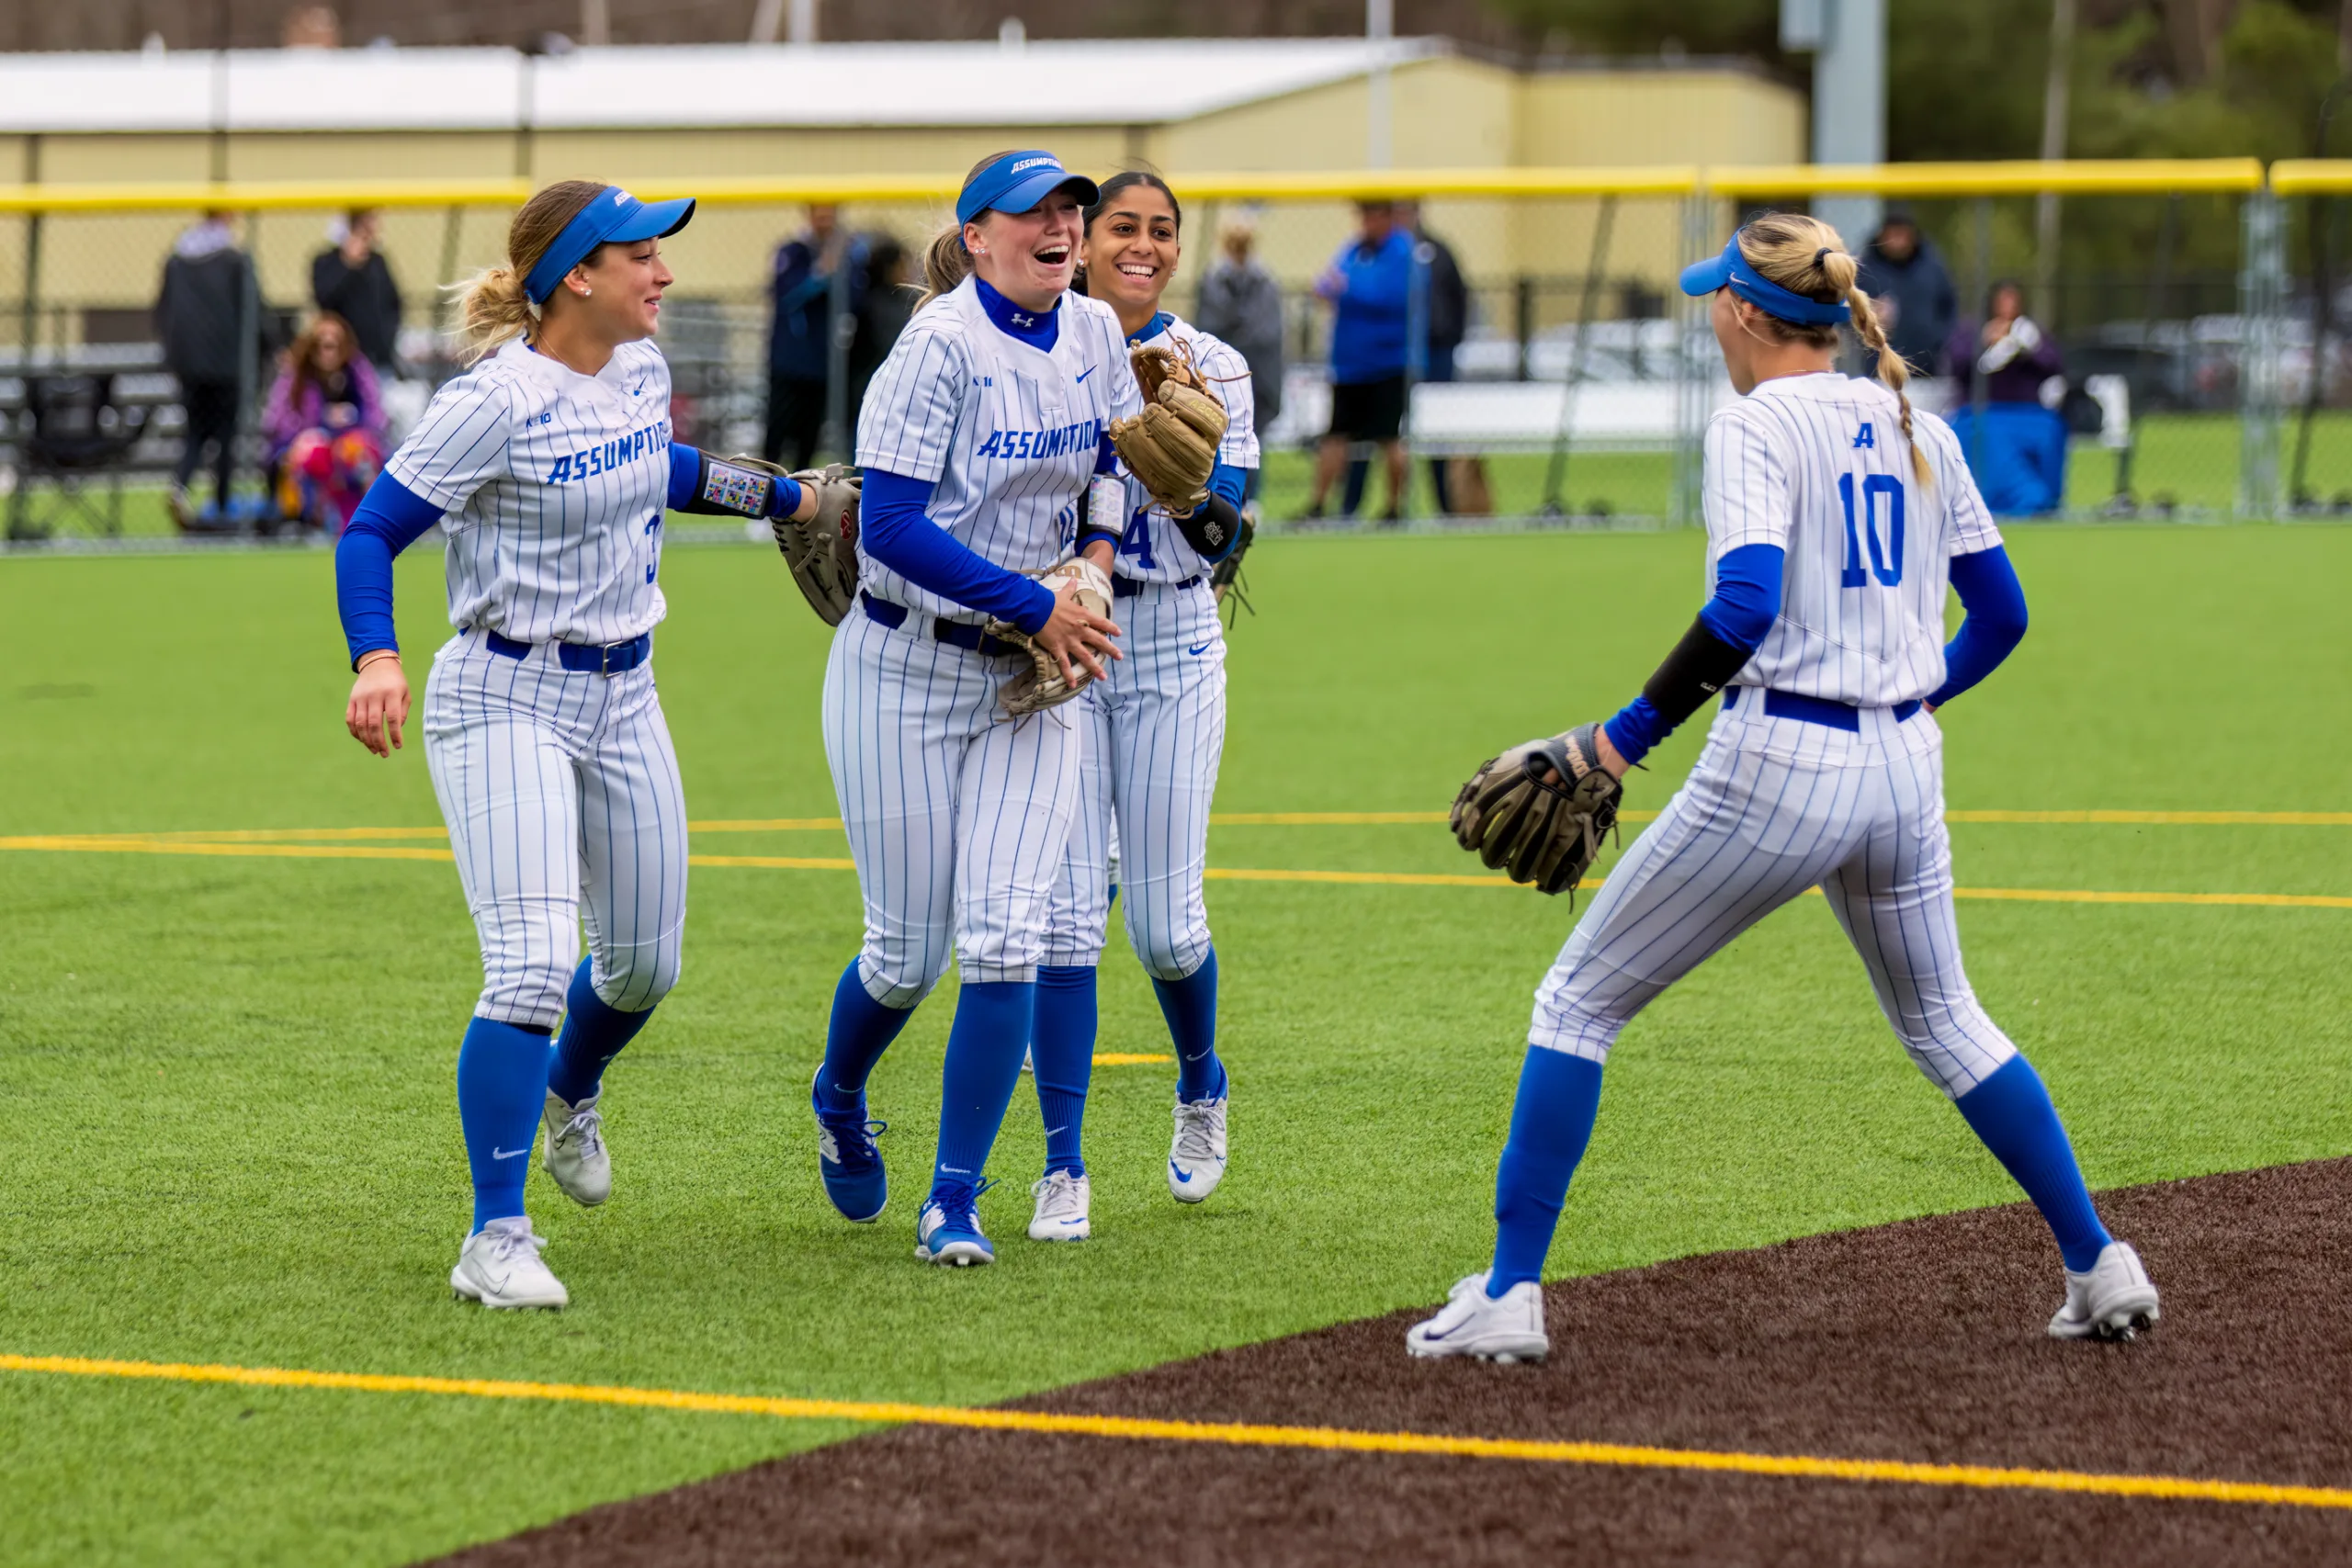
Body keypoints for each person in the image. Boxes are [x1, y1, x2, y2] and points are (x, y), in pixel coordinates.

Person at [1408, 213, 2157, 1363]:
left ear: (1750, 314)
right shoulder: (1920, 423)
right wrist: (1902, 703)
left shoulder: (1752, 424)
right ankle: (2099, 1262)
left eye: (1719, 295)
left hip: (1782, 766)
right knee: (1948, 1021)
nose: (1712, 308)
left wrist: (1619, 741)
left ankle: (1509, 1292)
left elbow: (1745, 604)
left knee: (1576, 1005)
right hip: (1904, 768)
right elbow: (2002, 616)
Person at [335, 179, 854, 1309]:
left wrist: (782, 500)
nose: (664, 273)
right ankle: (495, 1235)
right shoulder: (495, 400)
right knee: (527, 963)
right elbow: (371, 531)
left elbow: (655, 470)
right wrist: (376, 657)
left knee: (644, 966)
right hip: (504, 694)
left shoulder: (640, 372)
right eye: (642, 256)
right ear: (577, 274)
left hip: (627, 694)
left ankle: (572, 1089)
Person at [807, 150, 1135, 1268]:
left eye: (1070, 212)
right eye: (1032, 213)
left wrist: (1089, 559)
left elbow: (1114, 464)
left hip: (1032, 684)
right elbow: (889, 527)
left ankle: (955, 1198)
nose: (1059, 227)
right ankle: (840, 1092)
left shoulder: (1092, 334)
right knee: (905, 953)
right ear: (979, 236)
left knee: (1007, 936)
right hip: (903, 669)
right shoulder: (937, 348)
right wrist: (1036, 602)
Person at [1022, 171, 1257, 1244]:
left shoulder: (1215, 363)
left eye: (1162, 231)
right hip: (1063, 641)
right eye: (1123, 226)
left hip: (1168, 641)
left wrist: (1183, 485)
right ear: (1081, 238)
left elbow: (1228, 543)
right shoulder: (1048, 345)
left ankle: (1201, 1084)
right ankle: (1062, 1166)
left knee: (1165, 928)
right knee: (1064, 922)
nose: (1143, 245)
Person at [1346, 199, 1477, 516]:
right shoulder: (1371, 251)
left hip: (1436, 352)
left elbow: (1459, 298)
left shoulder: (1437, 251)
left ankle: (1444, 507)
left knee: (1436, 432)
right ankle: (1353, 506)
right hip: (1391, 356)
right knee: (1374, 433)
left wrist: (1448, 338)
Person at [1300, 199, 1417, 523]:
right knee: (1335, 436)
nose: (1365, 221)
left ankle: (1395, 508)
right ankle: (1318, 506)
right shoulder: (1353, 248)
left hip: (1387, 363)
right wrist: (1336, 288)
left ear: (1386, 216)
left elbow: (1388, 296)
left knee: (1388, 437)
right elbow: (1328, 281)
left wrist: (1347, 290)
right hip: (1348, 364)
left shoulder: (1401, 251)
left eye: (1372, 214)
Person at [155, 209, 267, 529]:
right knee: (225, 434)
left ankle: (181, 485)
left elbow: (163, 311)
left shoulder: (178, 259)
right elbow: (254, 312)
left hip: (189, 364)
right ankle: (220, 504)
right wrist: (269, 348)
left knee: (195, 432)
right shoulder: (235, 260)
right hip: (228, 364)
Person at [1945, 281, 2069, 514]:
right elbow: (1958, 364)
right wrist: (1985, 343)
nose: (2007, 308)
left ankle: (2047, 498)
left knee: (2052, 429)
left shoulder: (2030, 332)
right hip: (1983, 411)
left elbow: (2054, 364)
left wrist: (2028, 348)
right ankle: (2022, 495)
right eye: (2002, 301)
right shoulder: (1971, 332)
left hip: (2027, 412)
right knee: (1988, 434)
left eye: (2012, 301)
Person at [764, 203, 868, 470]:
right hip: (790, 359)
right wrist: (821, 273)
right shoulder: (792, 252)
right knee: (777, 428)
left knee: (809, 435)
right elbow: (785, 295)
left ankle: (799, 498)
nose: (825, 221)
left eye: (829, 215)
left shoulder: (848, 255)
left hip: (823, 362)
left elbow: (856, 300)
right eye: (819, 215)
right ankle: (762, 496)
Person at [262, 312, 387, 533]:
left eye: (334, 345)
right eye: (322, 345)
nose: (328, 351)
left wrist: (350, 423)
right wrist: (309, 431)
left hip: (349, 443)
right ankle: (306, 519)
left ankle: (364, 518)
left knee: (357, 451)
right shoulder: (296, 375)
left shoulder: (358, 373)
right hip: (305, 444)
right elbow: (277, 421)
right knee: (314, 451)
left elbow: (375, 416)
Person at [1193, 219, 1283, 501]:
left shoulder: (1265, 282)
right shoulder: (1214, 281)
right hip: (1217, 374)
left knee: (1252, 437)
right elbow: (1208, 325)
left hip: (1256, 373)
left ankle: (1250, 500)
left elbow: (1266, 332)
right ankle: (1217, 498)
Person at [1855, 208, 1955, 379]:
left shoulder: (1932, 267)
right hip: (1879, 368)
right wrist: (1868, 316)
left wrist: (1937, 339)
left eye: (1902, 234)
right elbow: (1847, 311)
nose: (1897, 240)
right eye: (1892, 234)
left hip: (1926, 368)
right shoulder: (1865, 269)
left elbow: (1949, 306)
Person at [311, 209, 403, 374]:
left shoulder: (377, 262)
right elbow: (324, 298)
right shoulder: (327, 261)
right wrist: (348, 265)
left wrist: (389, 337)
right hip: (343, 358)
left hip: (379, 355)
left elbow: (394, 303)